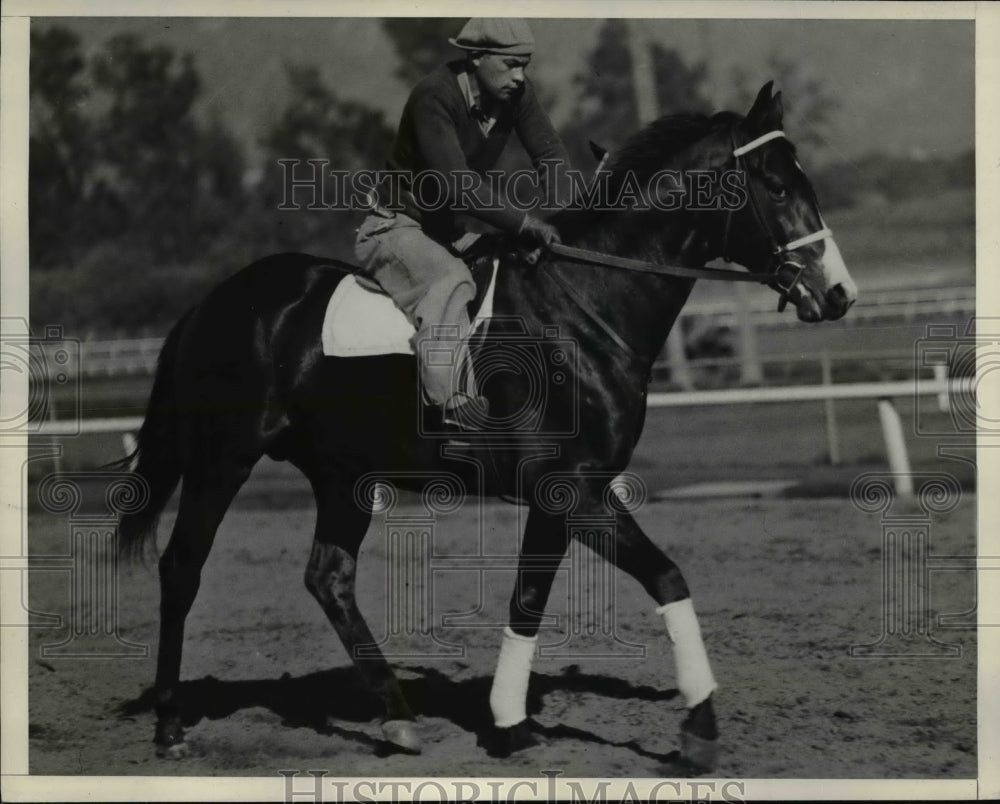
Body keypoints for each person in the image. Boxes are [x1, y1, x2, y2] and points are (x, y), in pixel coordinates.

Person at [354, 18, 569, 426]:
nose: (519, 76)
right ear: (476, 58)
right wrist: (526, 223)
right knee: (451, 279)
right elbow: (458, 186)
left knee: (518, 264)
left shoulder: (516, 93)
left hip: (446, 233)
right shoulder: (434, 96)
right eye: (510, 64)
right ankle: (451, 406)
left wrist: (570, 221)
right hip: (394, 228)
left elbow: (551, 155)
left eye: (524, 64)